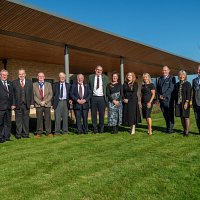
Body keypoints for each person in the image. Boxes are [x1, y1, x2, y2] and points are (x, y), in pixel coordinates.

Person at [12, 69, 34, 139]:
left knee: (26, 120)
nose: (21, 75)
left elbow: (32, 94)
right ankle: (18, 134)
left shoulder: (29, 82)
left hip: (26, 104)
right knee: (18, 120)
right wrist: (13, 104)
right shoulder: (14, 82)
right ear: (18, 75)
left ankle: (26, 134)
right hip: (18, 105)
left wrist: (32, 103)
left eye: (22, 74)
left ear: (25, 74)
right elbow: (12, 95)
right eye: (20, 74)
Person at [88, 65, 109, 133]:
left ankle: (101, 129)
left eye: (100, 70)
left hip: (102, 98)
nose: (99, 71)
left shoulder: (105, 78)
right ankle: (95, 129)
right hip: (93, 98)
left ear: (102, 71)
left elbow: (107, 89)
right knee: (93, 114)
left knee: (101, 114)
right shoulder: (90, 77)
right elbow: (89, 88)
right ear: (95, 70)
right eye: (97, 69)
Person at [157, 66, 176, 133]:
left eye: (165, 70)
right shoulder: (160, 79)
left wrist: (163, 95)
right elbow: (158, 89)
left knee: (170, 114)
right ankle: (167, 127)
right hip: (161, 100)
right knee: (165, 114)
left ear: (169, 70)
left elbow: (171, 88)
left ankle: (170, 128)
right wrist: (159, 96)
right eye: (163, 70)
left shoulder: (172, 78)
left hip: (168, 99)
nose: (164, 71)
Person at [33, 72, 53, 137]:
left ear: (44, 77)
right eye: (39, 76)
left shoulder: (48, 84)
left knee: (47, 119)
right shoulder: (34, 84)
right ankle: (39, 132)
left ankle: (48, 132)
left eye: (42, 76)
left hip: (47, 104)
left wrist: (45, 101)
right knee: (39, 119)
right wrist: (39, 102)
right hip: (38, 105)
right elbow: (33, 95)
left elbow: (50, 94)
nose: (41, 77)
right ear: (37, 77)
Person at [174, 70, 191, 136]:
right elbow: (175, 94)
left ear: (185, 76)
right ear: (178, 76)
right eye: (180, 75)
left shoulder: (188, 84)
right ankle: (184, 129)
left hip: (185, 103)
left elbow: (189, 94)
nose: (181, 76)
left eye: (183, 75)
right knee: (181, 116)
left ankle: (187, 131)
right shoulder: (177, 84)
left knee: (186, 117)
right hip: (178, 103)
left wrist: (186, 102)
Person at [0, 69, 14, 143]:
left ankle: (7, 136)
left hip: (8, 107)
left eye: (6, 75)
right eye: (3, 75)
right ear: (0, 75)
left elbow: (12, 95)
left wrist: (13, 104)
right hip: (1, 107)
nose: (4, 76)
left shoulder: (10, 83)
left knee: (8, 122)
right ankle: (1, 137)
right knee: (0, 123)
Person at [192, 65, 200, 134]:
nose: (198, 71)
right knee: (197, 118)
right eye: (198, 70)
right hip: (196, 103)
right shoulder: (194, 80)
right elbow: (193, 92)